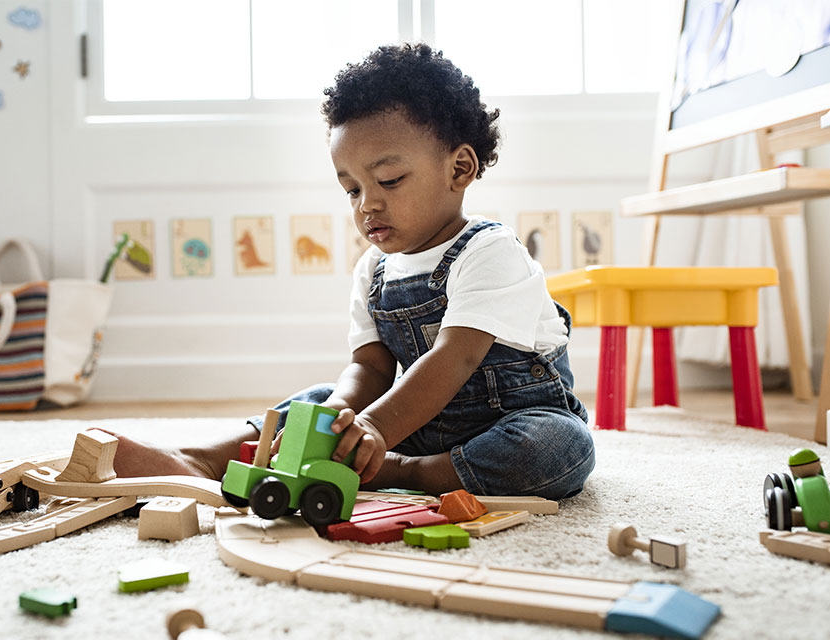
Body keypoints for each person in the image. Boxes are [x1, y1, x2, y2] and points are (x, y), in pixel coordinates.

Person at [109, 43, 595, 499]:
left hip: (508, 420)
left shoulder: (490, 251)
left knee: (556, 446)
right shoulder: (374, 269)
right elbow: (370, 368)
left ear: (459, 169)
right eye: (352, 189)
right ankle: (202, 459)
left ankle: (407, 473)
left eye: (388, 180)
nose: (368, 204)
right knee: (317, 401)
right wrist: (340, 415)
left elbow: (455, 360)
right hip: (415, 422)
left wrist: (377, 430)